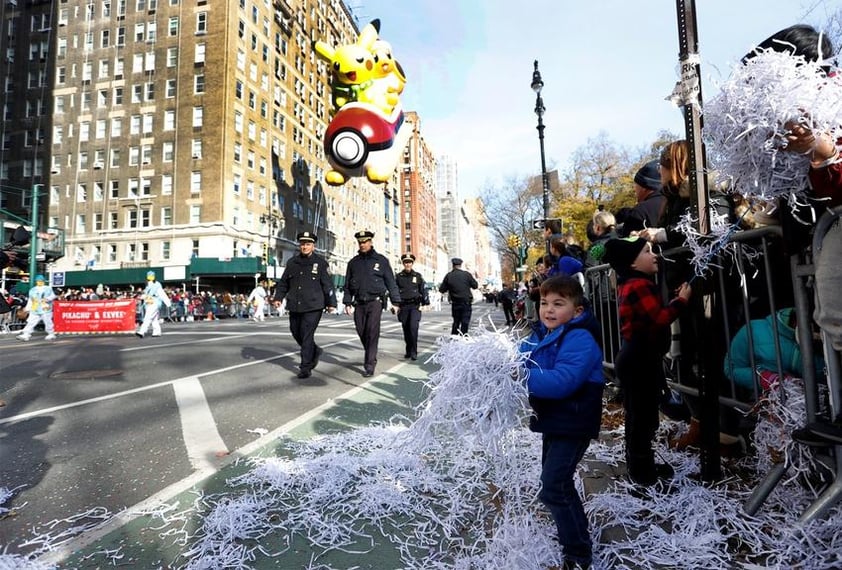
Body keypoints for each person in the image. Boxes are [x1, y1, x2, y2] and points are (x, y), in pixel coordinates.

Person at [518, 276, 603, 569]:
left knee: (553, 486)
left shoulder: (579, 337)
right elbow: (521, 356)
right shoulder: (543, 333)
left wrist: (520, 377)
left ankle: (578, 552)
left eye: (558, 303)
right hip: (554, 419)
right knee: (556, 483)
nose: (549, 310)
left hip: (574, 420)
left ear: (577, 311)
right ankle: (575, 535)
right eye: (544, 303)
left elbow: (563, 381)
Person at [603, 237, 692, 489]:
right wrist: (682, 300)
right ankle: (643, 475)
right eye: (647, 251)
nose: (654, 255)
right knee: (643, 418)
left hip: (637, 359)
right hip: (640, 361)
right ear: (632, 262)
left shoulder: (631, 284)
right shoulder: (639, 285)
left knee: (638, 415)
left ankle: (640, 465)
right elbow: (660, 318)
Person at [273, 231, 337, 379]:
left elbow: (328, 285)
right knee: (296, 332)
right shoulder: (292, 263)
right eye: (302, 244)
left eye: (308, 244)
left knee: (307, 335)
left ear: (313, 246)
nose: (305, 247)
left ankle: (305, 367)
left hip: (313, 306)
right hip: (295, 304)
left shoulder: (321, 264)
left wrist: (331, 303)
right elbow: (284, 283)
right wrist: (278, 297)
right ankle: (314, 351)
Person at [343, 230, 401, 377]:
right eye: (360, 242)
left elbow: (391, 282)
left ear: (370, 242)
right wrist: (347, 302)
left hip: (375, 302)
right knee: (361, 331)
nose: (362, 244)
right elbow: (348, 284)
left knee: (372, 331)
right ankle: (370, 354)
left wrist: (396, 302)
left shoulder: (381, 261)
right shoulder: (353, 263)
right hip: (359, 303)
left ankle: (369, 364)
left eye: (365, 242)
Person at [394, 252, 429, 360]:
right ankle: (408, 350)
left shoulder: (417, 276)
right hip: (403, 306)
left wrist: (425, 303)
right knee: (406, 329)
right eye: (405, 262)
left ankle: (414, 351)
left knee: (413, 328)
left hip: (415, 306)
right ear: (403, 264)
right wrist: (395, 304)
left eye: (409, 262)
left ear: (412, 263)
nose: (407, 264)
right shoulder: (398, 277)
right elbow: (394, 291)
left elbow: (423, 290)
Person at [618, 160, 666, 238]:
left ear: (644, 187)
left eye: (636, 185)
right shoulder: (674, 203)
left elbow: (626, 247)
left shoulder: (640, 212)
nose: (634, 189)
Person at [439, 257, 478, 335]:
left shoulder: (449, 276)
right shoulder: (467, 275)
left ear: (453, 265)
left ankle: (454, 339)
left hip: (455, 303)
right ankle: (463, 338)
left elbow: (442, 289)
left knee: (456, 322)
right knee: (465, 322)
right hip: (466, 302)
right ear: (461, 265)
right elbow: (475, 285)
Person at [16, 274, 57, 342]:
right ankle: (26, 334)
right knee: (31, 322)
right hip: (35, 308)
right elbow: (30, 300)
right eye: (38, 281)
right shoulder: (32, 290)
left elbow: (53, 296)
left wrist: (47, 299)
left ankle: (51, 334)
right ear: (36, 281)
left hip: (45, 308)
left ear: (43, 281)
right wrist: (27, 308)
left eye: (41, 280)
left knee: (48, 322)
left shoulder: (48, 288)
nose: (39, 282)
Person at [136, 271, 171, 338]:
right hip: (149, 304)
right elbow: (146, 295)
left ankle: (142, 331)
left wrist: (168, 303)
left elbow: (162, 294)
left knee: (148, 317)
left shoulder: (157, 285)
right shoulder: (148, 286)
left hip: (155, 303)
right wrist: (141, 297)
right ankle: (157, 332)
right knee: (154, 319)